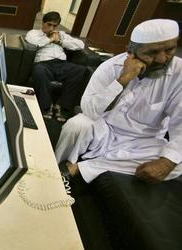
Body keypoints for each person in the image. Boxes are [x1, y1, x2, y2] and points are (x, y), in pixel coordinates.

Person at [54, 19, 182, 184]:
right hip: (105, 130)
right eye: (153, 52)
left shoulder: (179, 73)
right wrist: (123, 80)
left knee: (176, 163)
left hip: (143, 144)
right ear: (131, 51)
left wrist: (166, 162)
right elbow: (89, 111)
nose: (163, 59)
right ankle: (54, 169)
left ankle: (78, 168)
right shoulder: (110, 67)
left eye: (170, 50)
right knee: (77, 125)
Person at [25, 11, 87, 122]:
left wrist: (61, 41)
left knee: (80, 70)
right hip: (43, 63)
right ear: (43, 23)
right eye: (49, 24)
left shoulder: (61, 35)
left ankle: (61, 105)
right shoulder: (34, 33)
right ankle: (46, 106)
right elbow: (33, 41)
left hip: (61, 64)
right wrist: (50, 39)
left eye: (55, 25)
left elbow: (80, 45)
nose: (52, 28)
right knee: (39, 71)